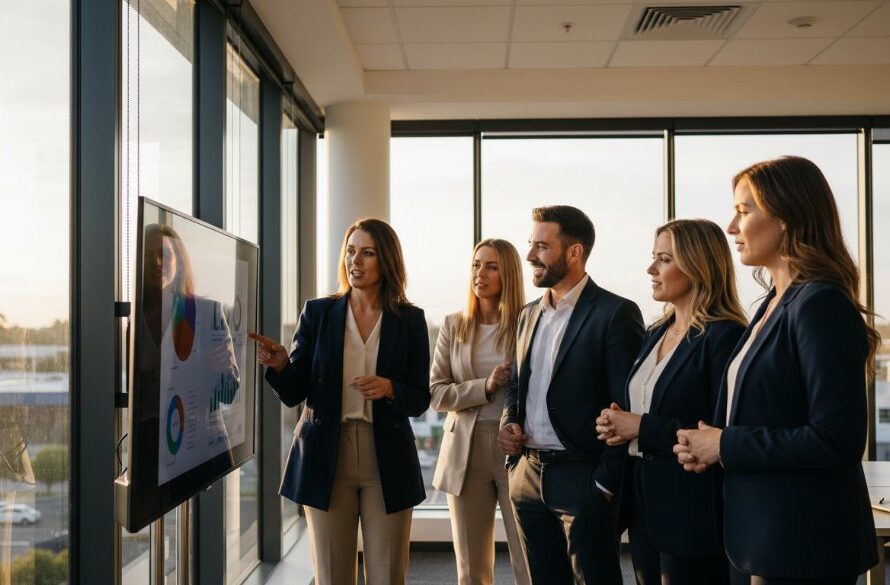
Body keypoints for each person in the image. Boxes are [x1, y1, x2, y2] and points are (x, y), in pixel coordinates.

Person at [673, 156, 879, 585]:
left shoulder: (820, 304)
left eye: (743, 212)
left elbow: (835, 439)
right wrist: (706, 445)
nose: (731, 227)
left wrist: (725, 444)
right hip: (756, 536)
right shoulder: (769, 305)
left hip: (801, 542)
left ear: (786, 217)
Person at [251, 218, 430, 585]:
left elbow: (421, 398)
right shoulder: (318, 313)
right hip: (325, 454)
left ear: (387, 261)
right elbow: (295, 393)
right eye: (351, 251)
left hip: (387, 455)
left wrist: (391, 389)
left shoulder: (410, 320)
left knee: (388, 575)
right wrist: (283, 365)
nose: (356, 261)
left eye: (367, 253)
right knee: (332, 576)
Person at [497, 205, 645, 585]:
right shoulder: (527, 315)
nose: (530, 255)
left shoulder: (616, 313)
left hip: (583, 477)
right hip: (527, 476)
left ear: (574, 252)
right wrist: (509, 422)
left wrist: (604, 484)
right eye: (531, 245)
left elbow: (625, 405)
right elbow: (518, 386)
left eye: (542, 246)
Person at [595, 219, 746, 584]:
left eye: (663, 259)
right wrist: (617, 424)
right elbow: (646, 407)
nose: (651, 269)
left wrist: (640, 427)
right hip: (644, 502)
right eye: (653, 258)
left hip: (691, 508)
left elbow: (719, 429)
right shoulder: (655, 332)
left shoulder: (724, 336)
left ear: (697, 266)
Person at [429, 239, 530, 585]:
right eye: (475, 265)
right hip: (465, 451)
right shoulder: (454, 325)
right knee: (471, 569)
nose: (480, 274)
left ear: (509, 274)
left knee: (528, 560)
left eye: (490, 266)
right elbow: (437, 394)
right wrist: (484, 386)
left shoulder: (528, 322)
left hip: (518, 450)